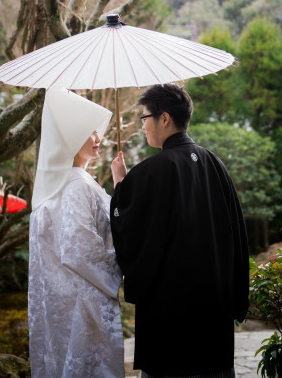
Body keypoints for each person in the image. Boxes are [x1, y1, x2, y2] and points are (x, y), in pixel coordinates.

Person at [110, 83, 249, 378]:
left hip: (171, 319)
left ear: (164, 118)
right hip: (214, 316)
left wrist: (121, 185)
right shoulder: (216, 164)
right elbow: (236, 237)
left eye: (144, 118)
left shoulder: (150, 172)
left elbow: (130, 233)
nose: (143, 126)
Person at [28, 88, 124, 378]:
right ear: (70, 136)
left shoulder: (50, 189)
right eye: (91, 132)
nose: (99, 139)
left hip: (60, 303)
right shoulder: (78, 185)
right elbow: (80, 247)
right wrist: (123, 263)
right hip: (85, 303)